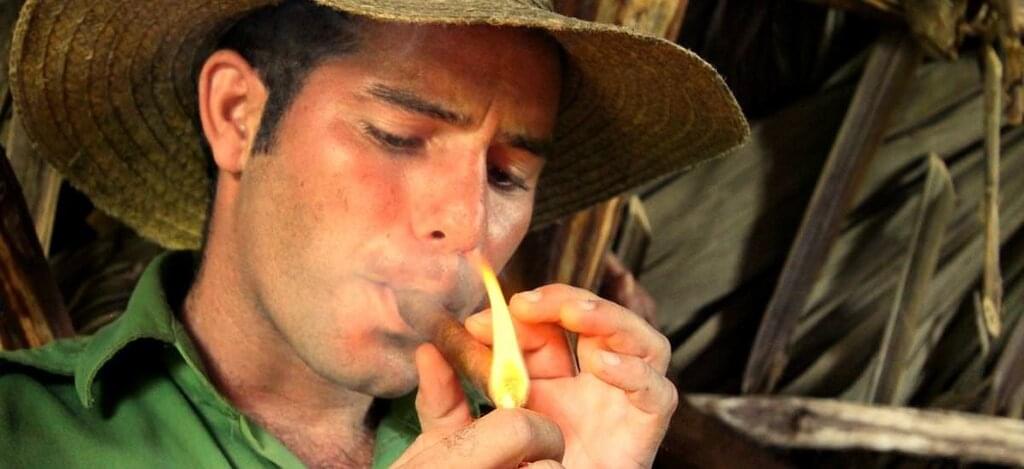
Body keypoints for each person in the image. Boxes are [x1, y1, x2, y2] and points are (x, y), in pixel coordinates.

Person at [0, 0, 747, 467]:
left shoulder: (529, 443)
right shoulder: (22, 431)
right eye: (397, 136)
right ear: (237, 116)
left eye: (506, 175)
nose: (465, 224)